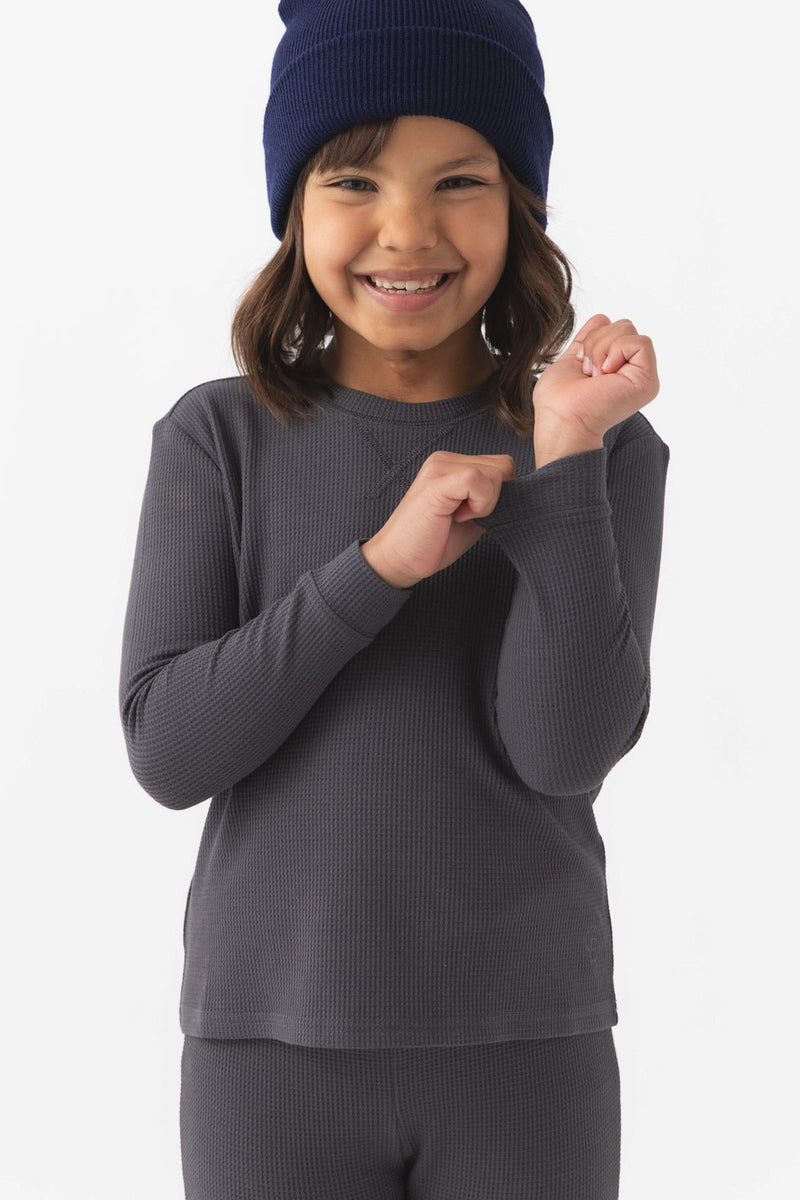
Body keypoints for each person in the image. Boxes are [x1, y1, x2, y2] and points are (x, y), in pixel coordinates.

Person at [118, 2, 670, 1197]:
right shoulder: (219, 437)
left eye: (458, 180)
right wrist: (378, 568)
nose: (405, 230)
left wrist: (562, 459)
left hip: (527, 1044)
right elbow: (167, 749)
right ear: (294, 211)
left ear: (519, 206)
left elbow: (562, 750)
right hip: (268, 1049)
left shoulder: (601, 447)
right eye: (353, 181)